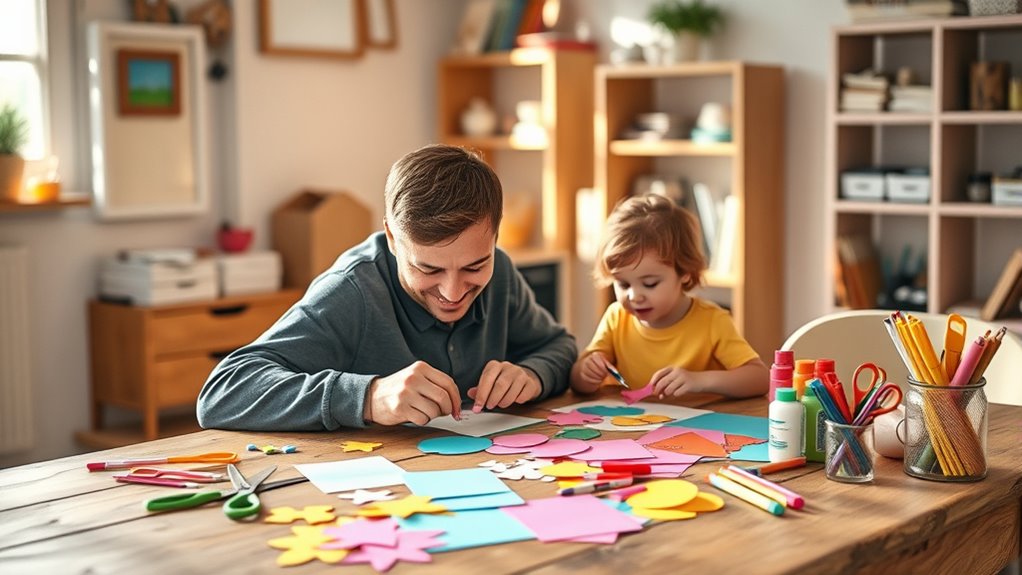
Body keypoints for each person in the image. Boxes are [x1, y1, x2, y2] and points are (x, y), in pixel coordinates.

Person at [197, 144, 577, 431]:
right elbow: (222, 392)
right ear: (393, 239)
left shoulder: (502, 274)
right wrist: (368, 397)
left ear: (495, 235)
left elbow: (559, 346)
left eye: (475, 266)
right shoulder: (351, 291)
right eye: (428, 268)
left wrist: (532, 374)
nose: (453, 290)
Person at [570, 193, 767, 399]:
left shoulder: (712, 321)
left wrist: (698, 380)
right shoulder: (616, 317)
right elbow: (577, 381)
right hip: (629, 426)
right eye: (623, 284)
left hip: (695, 426)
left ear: (685, 273)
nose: (634, 296)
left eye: (650, 284)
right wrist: (586, 373)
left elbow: (759, 378)